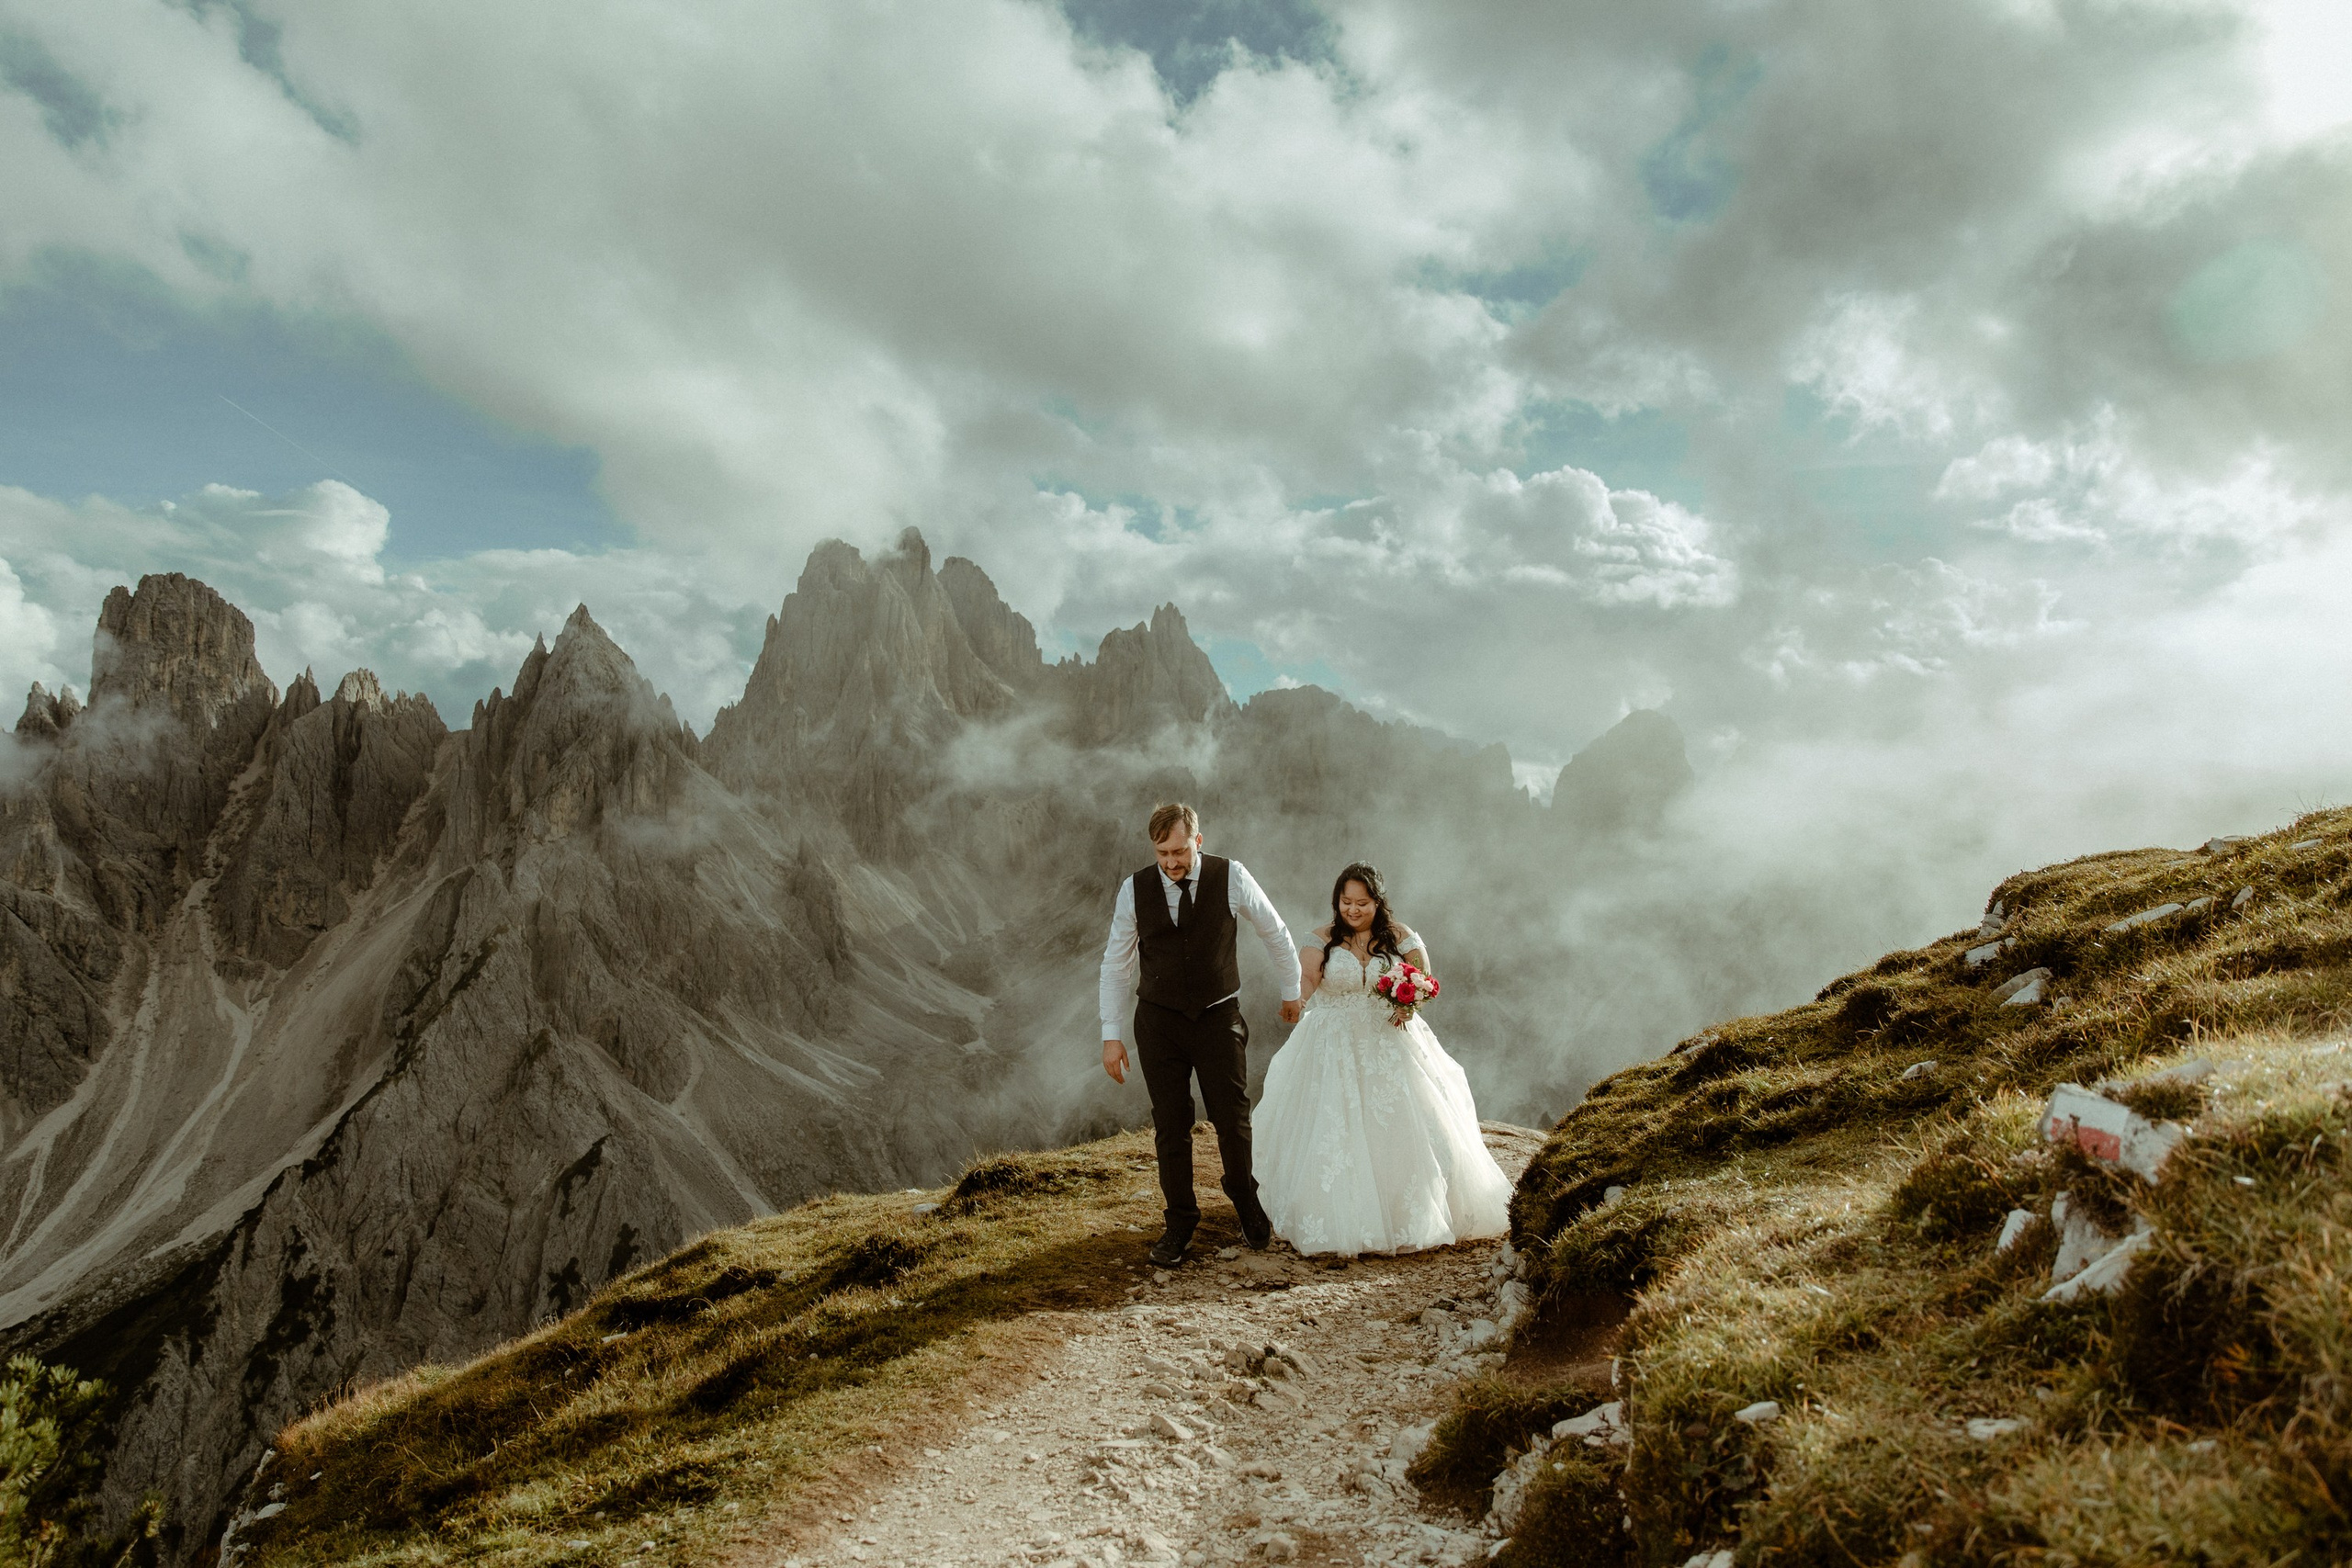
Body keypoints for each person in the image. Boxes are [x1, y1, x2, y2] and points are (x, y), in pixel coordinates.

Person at [1252, 862, 1511, 1257]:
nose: (1352, 911)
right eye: (1345, 902)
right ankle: (1343, 1215)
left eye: (1362, 903)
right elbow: (1306, 981)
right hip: (1332, 1042)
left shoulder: (1400, 937)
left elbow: (1424, 980)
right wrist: (1296, 1001)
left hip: (1390, 1039)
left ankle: (1406, 1212)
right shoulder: (1320, 939)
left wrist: (1409, 1004)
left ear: (1378, 901)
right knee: (1334, 1125)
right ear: (1337, 901)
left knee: (1404, 1124)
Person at [1100, 802, 1303, 1267]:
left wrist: (1291, 990)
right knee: (1171, 1124)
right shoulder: (1133, 889)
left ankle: (1244, 1197)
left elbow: (1274, 931)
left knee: (1232, 1115)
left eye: (1179, 850)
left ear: (1198, 840)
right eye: (1162, 852)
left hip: (1218, 1016)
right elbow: (1116, 963)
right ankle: (1180, 1221)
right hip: (1158, 1023)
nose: (1171, 862)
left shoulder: (1232, 876)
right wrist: (1112, 1036)